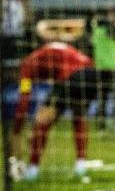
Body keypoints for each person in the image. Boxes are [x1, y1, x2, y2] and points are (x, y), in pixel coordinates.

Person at [11, 41, 96, 181]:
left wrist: (17, 129)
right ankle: (81, 166)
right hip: (90, 73)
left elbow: (23, 101)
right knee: (79, 116)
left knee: (42, 122)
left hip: (71, 76)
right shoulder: (47, 52)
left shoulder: (26, 66)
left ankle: (32, 170)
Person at [89, 8, 115, 134]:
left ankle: (107, 126)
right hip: (110, 69)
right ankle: (109, 126)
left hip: (109, 69)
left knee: (110, 98)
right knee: (110, 98)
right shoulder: (113, 32)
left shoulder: (97, 32)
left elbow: (91, 39)